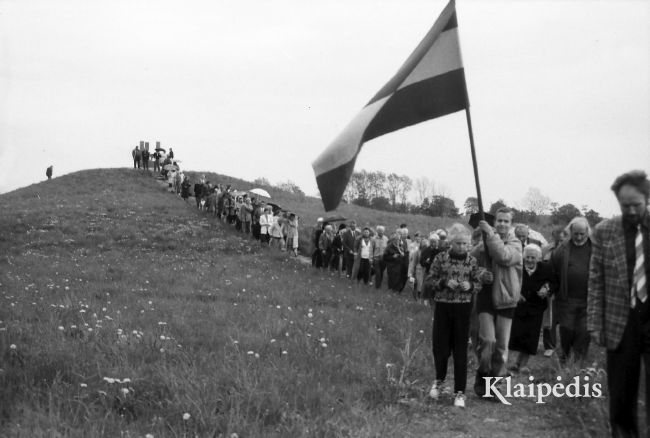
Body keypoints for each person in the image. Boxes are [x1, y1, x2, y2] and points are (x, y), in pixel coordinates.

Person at [588, 170, 650, 437]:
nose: (632, 211)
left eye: (637, 204)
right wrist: (594, 323)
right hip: (620, 323)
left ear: (647, 198)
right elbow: (595, 281)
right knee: (621, 396)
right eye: (626, 206)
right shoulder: (604, 232)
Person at [427, 224, 481, 408]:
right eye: (457, 243)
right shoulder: (440, 258)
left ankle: (460, 392)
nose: (461, 247)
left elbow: (479, 282)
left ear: (469, 244)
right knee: (440, 347)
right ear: (450, 242)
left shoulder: (472, 261)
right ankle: (439, 382)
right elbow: (429, 280)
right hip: (443, 307)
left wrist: (471, 286)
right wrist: (443, 282)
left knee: (460, 350)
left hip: (463, 309)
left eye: (465, 244)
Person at [472, 208, 522, 398]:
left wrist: (490, 235)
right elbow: (471, 264)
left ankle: (494, 384)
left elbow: (504, 256)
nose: (501, 224)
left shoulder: (516, 243)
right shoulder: (486, 241)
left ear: (511, 224)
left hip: (506, 299)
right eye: (499, 221)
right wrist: (480, 274)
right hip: (486, 298)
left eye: (505, 221)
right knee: (487, 341)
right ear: (495, 222)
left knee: (501, 347)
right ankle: (482, 374)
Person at [550, 216, 592, 365]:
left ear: (588, 231)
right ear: (571, 232)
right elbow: (553, 271)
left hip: (589, 300)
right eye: (576, 234)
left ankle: (579, 365)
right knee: (566, 330)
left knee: (583, 332)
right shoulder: (562, 249)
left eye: (582, 234)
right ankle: (564, 358)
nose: (579, 237)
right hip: (567, 299)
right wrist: (551, 289)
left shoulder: (595, 248)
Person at [508, 244, 555, 374]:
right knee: (516, 335)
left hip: (536, 307)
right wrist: (516, 293)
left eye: (533, 258)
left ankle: (523, 365)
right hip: (519, 306)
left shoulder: (545, 268)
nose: (529, 260)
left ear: (538, 258)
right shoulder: (518, 268)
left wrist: (547, 289)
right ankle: (514, 363)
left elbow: (553, 282)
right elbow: (510, 282)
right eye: (527, 257)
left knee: (531, 336)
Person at [384, 228, 409, 293]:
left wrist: (404, 255)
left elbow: (406, 252)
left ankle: (397, 290)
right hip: (392, 265)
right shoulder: (389, 246)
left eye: (401, 234)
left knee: (400, 278)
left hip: (401, 264)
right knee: (393, 278)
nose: (398, 240)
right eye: (396, 239)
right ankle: (392, 290)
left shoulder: (403, 243)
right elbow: (385, 256)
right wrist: (392, 257)